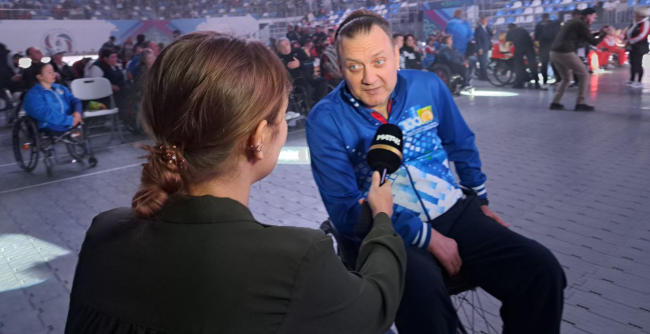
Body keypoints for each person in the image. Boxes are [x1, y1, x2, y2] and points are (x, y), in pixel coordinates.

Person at [65, 32, 406, 334]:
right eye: (282, 116)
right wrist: (382, 219)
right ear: (258, 137)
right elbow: (376, 305)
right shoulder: (295, 261)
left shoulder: (103, 232)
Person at [306, 10, 565, 334]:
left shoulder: (427, 85)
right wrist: (425, 237)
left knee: (542, 270)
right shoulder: (325, 120)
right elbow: (346, 211)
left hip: (453, 211)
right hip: (387, 231)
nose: (369, 78)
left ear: (396, 54)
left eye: (379, 61)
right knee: (426, 303)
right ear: (340, 66)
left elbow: (461, 143)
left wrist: (480, 199)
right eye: (354, 67)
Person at [550, 8, 609, 111]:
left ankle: (555, 102)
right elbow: (593, 42)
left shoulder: (574, 22)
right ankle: (580, 103)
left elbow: (584, 37)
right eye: (593, 17)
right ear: (588, 16)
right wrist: (604, 34)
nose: (594, 19)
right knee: (584, 75)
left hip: (554, 52)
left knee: (566, 78)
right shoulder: (580, 24)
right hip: (565, 52)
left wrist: (599, 33)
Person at [23, 62, 83, 133]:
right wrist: (70, 120)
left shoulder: (60, 88)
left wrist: (77, 112)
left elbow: (74, 100)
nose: (53, 74)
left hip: (69, 120)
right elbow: (45, 114)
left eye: (53, 71)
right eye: (49, 72)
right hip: (49, 125)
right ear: (39, 76)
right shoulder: (33, 95)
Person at [276, 38, 327, 110]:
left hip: (308, 78)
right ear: (278, 49)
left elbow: (310, 63)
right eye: (282, 46)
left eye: (287, 45)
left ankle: (320, 105)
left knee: (323, 81)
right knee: (306, 87)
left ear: (290, 44)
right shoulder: (277, 59)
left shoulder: (298, 51)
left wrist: (300, 64)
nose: (285, 48)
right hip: (294, 83)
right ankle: (309, 109)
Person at [506, 23, 540, 89]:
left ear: (509, 28)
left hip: (519, 49)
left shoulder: (510, 32)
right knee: (532, 66)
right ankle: (537, 83)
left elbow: (507, 44)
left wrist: (506, 52)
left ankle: (519, 82)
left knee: (518, 66)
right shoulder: (523, 30)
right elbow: (530, 38)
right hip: (529, 48)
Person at [624, 7, 650, 88]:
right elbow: (628, 32)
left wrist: (631, 40)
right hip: (632, 46)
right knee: (632, 63)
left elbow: (642, 35)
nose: (634, 16)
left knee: (638, 64)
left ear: (640, 15)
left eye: (635, 14)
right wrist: (626, 38)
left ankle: (639, 81)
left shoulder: (646, 23)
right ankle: (632, 79)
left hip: (640, 47)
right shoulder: (634, 23)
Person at [534, 14, 561, 86]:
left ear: (542, 17)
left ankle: (545, 80)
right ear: (548, 17)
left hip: (543, 47)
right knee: (554, 63)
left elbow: (536, 38)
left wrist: (537, 47)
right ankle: (558, 79)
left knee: (544, 64)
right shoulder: (553, 23)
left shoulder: (539, 25)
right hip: (553, 46)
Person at [474, 16, 492, 81]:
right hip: (482, 48)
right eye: (485, 20)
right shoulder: (478, 29)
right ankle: (484, 77)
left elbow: (490, 35)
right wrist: (480, 48)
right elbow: (478, 39)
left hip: (486, 47)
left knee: (484, 62)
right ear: (481, 20)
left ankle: (481, 76)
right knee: (483, 63)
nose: (486, 21)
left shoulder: (487, 28)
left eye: (487, 20)